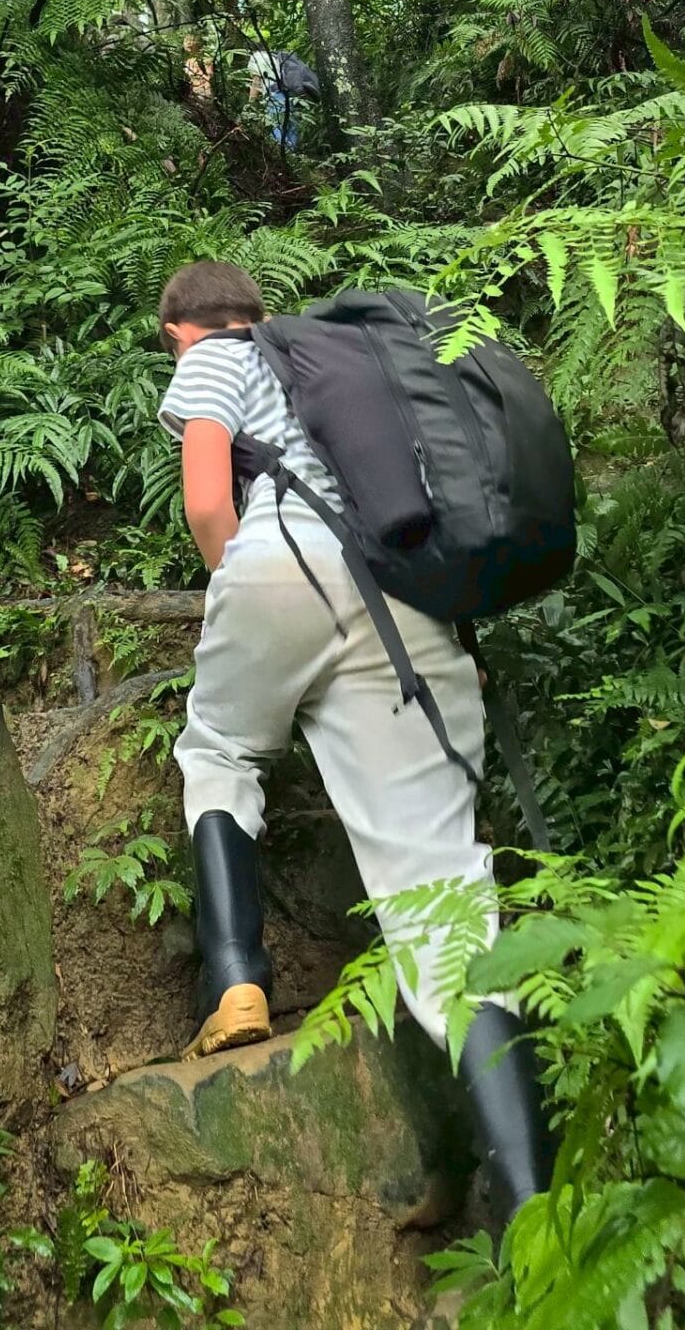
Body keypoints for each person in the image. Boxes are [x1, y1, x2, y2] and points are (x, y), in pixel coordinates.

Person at [156, 257, 551, 1224]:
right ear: (260, 310)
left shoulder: (214, 357)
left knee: (218, 750)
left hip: (281, 557)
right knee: (440, 898)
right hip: (403, 603)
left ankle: (235, 980)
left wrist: (245, 600)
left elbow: (207, 499)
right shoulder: (328, 368)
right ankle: (532, 1206)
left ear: (177, 332)